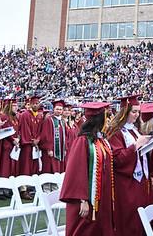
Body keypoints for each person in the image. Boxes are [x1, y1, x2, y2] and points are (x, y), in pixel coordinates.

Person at [60, 101, 115, 236]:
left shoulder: (100, 140)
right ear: (99, 119)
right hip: (85, 201)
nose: (108, 121)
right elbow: (76, 172)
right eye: (106, 117)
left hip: (100, 199)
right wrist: (82, 200)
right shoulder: (83, 141)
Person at [106, 94, 152, 236]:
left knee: (139, 215)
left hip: (139, 181)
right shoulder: (116, 132)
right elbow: (117, 159)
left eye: (138, 112)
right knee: (128, 216)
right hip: (125, 182)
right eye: (134, 111)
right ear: (124, 112)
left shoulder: (135, 130)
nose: (137, 115)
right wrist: (136, 145)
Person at [38, 99, 68, 173]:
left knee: (59, 167)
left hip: (60, 149)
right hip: (51, 150)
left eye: (60, 109)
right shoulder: (49, 120)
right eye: (57, 109)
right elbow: (46, 135)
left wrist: (65, 148)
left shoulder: (62, 121)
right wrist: (49, 149)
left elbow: (66, 136)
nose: (59, 111)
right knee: (50, 168)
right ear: (53, 109)